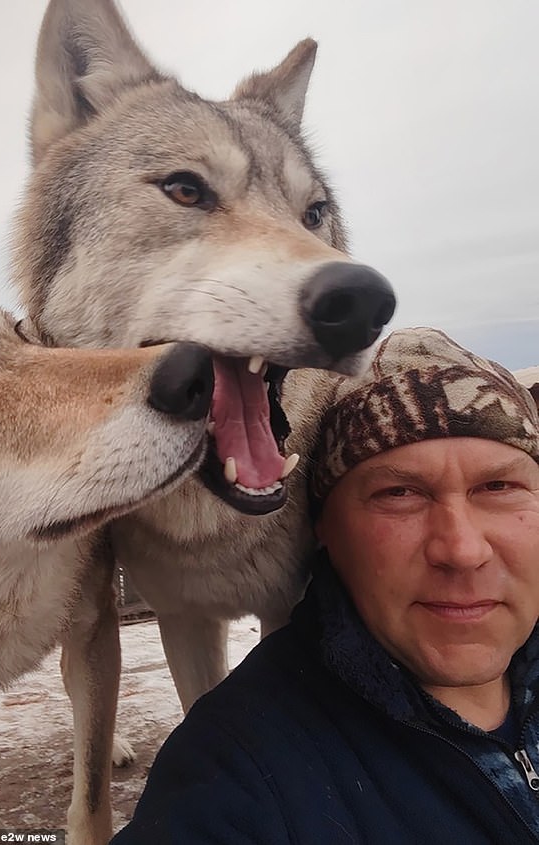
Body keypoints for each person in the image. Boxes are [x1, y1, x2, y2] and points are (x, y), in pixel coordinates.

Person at [111, 327, 539, 845]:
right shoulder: (241, 766)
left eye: (498, 486)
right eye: (399, 492)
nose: (463, 550)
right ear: (324, 528)